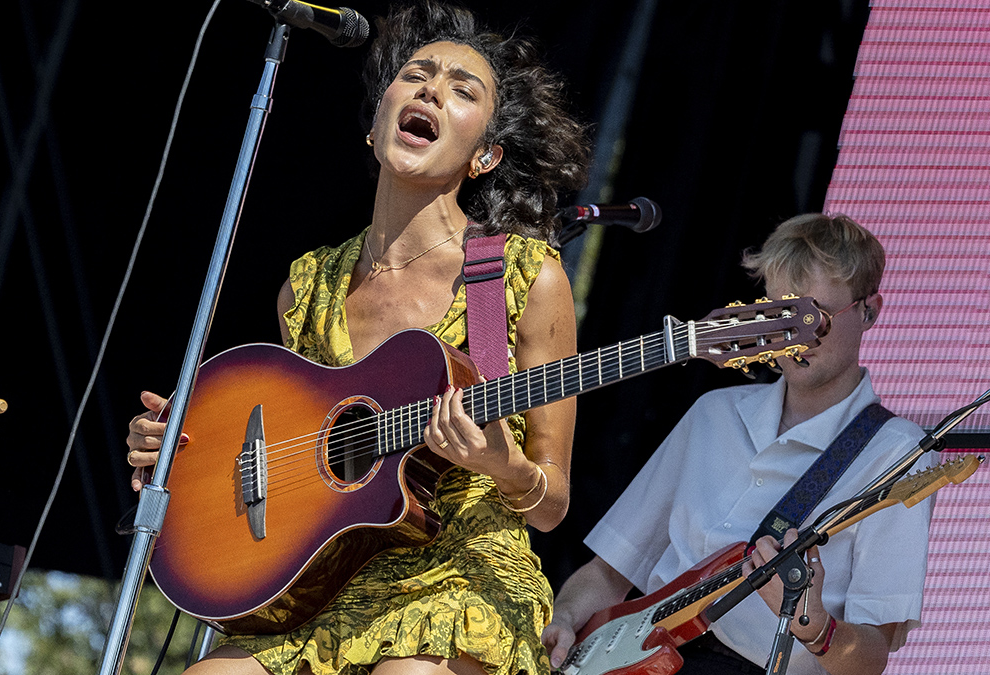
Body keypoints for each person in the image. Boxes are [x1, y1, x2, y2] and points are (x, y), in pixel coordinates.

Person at [126, 4, 590, 675]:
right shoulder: (309, 286)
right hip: (333, 584)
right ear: (376, 124)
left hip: (463, 580)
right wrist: (183, 445)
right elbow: (298, 443)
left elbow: (553, 500)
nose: (432, 89)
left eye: (464, 90)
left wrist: (505, 465)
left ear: (485, 155)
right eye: (416, 76)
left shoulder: (520, 277)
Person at [542, 214, 934, 675]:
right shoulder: (715, 413)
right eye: (780, 315)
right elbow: (609, 573)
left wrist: (816, 626)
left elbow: (870, 659)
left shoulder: (897, 452)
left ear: (870, 310)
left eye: (817, 318)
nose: (796, 338)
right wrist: (564, 618)